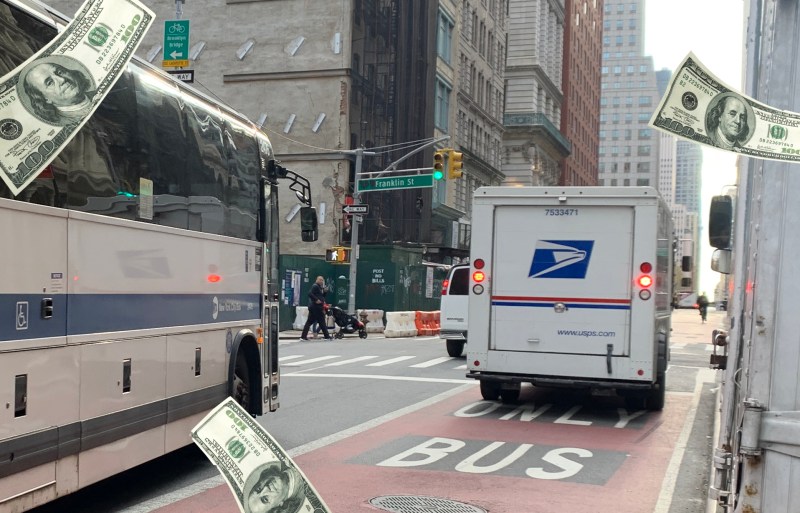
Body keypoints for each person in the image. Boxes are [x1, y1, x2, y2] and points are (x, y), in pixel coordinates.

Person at [20, 59, 96, 125]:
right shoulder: (61, 123)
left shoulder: (98, 93)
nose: (62, 80)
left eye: (59, 72)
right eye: (50, 83)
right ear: (45, 99)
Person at [300, 276, 331, 340]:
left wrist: (325, 292)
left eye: (322, 280)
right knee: (322, 322)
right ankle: (327, 336)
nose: (321, 281)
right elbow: (309, 293)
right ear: (316, 280)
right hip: (317, 307)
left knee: (309, 322)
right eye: (320, 280)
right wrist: (316, 299)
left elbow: (322, 297)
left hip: (315, 307)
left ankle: (303, 336)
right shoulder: (315, 286)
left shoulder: (319, 288)